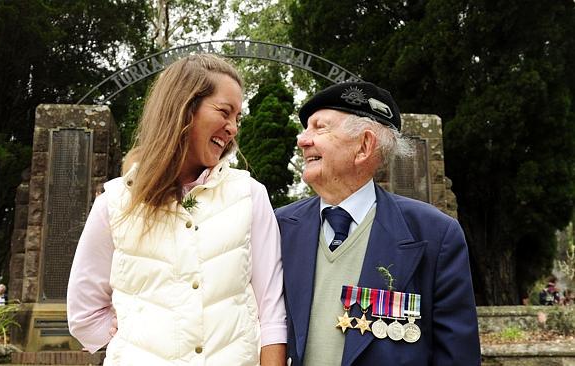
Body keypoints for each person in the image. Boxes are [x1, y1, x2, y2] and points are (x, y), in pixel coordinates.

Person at [67, 54, 287, 365]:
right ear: (184, 108)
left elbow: (272, 311)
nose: (233, 128)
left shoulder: (249, 195)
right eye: (225, 112)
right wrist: (134, 347)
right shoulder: (115, 202)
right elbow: (84, 314)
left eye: (238, 117)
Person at [275, 81, 481, 365]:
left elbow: (457, 358)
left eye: (319, 128)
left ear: (364, 146)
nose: (302, 140)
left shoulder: (435, 235)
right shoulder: (279, 227)